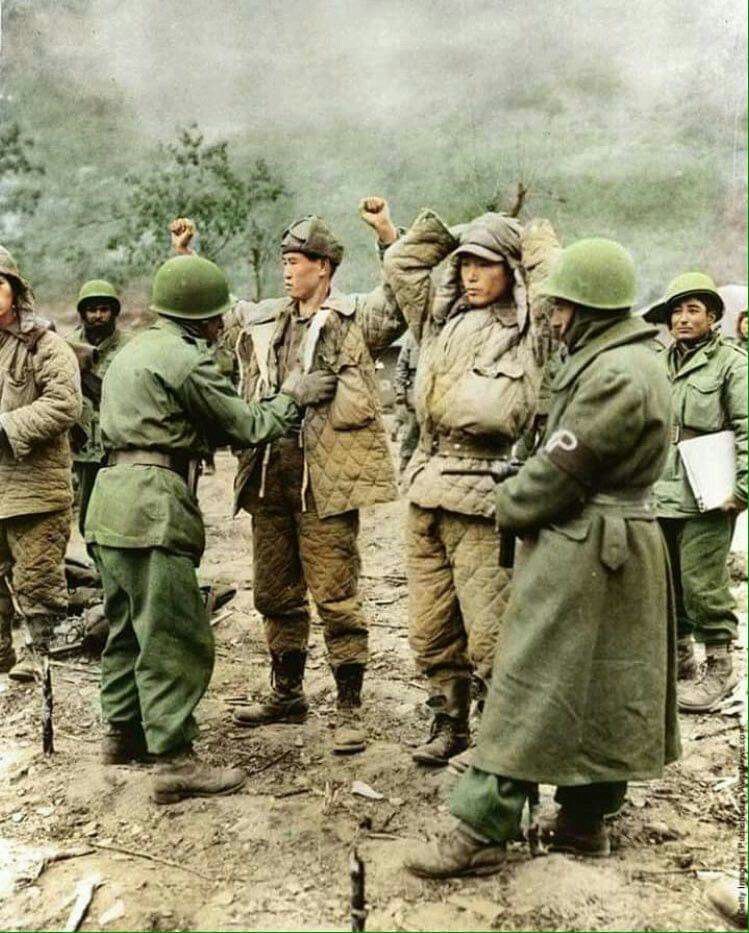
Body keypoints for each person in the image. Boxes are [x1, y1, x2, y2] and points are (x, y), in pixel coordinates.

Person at [404, 238, 680, 878]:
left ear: (589, 308)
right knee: (604, 685)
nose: (553, 317)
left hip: (585, 542)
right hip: (614, 544)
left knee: (527, 682)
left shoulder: (615, 375)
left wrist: (508, 499)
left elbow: (559, 472)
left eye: (562, 307)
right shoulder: (626, 360)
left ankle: (483, 827)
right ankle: (585, 820)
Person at [84, 253, 336, 803]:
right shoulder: (186, 361)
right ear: (199, 317)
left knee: (126, 625)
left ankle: (121, 735)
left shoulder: (132, 351)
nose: (222, 324)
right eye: (216, 316)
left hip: (109, 502)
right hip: (152, 504)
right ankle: (174, 761)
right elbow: (247, 425)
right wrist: (292, 396)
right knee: (174, 634)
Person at [381, 209, 559, 765]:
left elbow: (553, 284)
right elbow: (403, 264)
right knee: (430, 624)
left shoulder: (529, 331)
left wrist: (530, 238)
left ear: (511, 269)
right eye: (464, 265)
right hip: (426, 490)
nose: (472, 275)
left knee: (491, 630)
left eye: (486, 264)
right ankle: (449, 721)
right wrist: (457, 234)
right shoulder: (437, 322)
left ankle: (499, 740)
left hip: (485, 494)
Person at [228, 198, 404, 756]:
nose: (287, 270)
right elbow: (215, 314)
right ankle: (287, 694)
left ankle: (350, 707)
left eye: (296, 261)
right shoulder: (268, 321)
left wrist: (387, 235)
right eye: (283, 261)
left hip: (324, 481)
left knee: (335, 594)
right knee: (274, 590)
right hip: (268, 476)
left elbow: (400, 300)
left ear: (323, 267)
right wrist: (185, 256)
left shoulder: (353, 321)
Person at [646, 273, 747, 711]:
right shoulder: (657, 363)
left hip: (709, 490)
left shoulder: (732, 364)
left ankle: (720, 668)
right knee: (666, 582)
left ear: (713, 317)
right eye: (676, 311)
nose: (683, 319)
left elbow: (747, 427)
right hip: (660, 489)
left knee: (702, 584)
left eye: (693, 310)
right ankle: (680, 662)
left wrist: (742, 490)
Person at [0, 247, 82, 680]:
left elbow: (65, 404)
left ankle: (42, 663)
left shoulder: (45, 345)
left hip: (35, 492)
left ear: (15, 291)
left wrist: (6, 427)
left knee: (38, 582)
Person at [66, 280, 131, 534]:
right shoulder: (67, 346)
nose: (98, 316)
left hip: (119, 438)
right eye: (91, 310)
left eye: (104, 309)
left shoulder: (130, 346)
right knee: (87, 511)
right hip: (82, 441)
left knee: (120, 508)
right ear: (83, 313)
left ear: (114, 312)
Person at [392, 331, 420, 473]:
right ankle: (404, 465)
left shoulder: (443, 334)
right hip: (415, 392)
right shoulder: (412, 339)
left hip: (438, 391)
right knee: (412, 430)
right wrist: (400, 391)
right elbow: (401, 367)